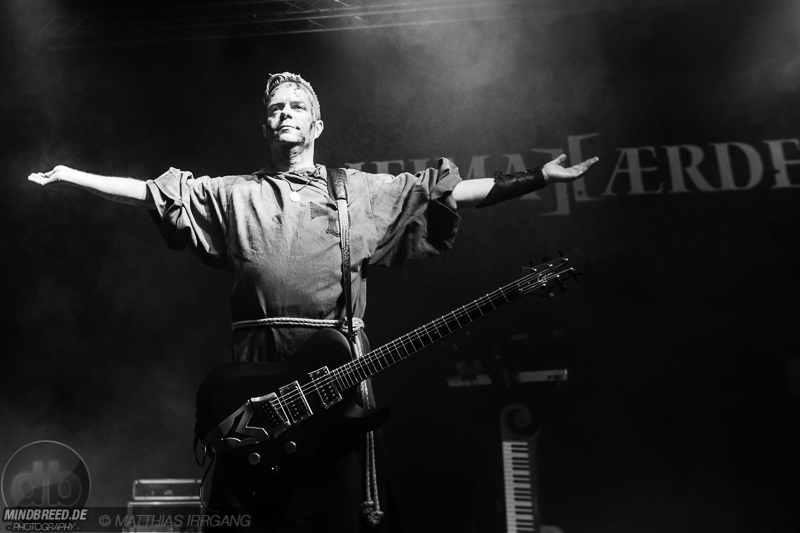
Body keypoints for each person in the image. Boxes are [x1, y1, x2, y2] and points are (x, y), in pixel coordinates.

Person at [29, 72, 598, 532]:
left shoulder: (357, 192)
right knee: (253, 511)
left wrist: (538, 178)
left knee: (333, 508)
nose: (285, 113)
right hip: (255, 373)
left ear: (317, 125)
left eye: (296, 107)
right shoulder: (233, 193)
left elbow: (444, 193)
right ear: (265, 124)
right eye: (276, 107)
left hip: (334, 374)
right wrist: (72, 175)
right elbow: (153, 194)